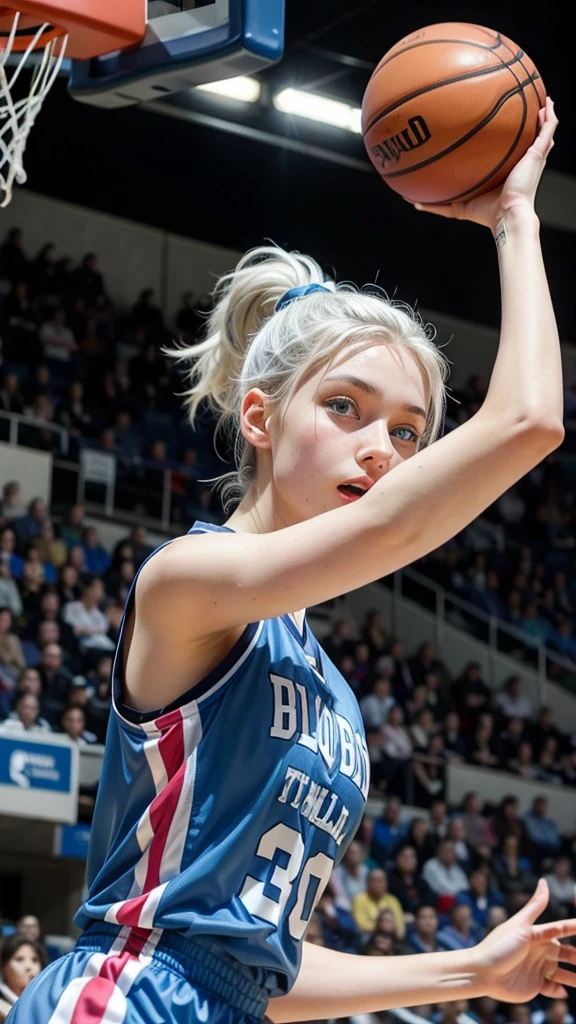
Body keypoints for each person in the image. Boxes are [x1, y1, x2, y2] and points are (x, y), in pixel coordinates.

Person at [14, 102, 576, 1024]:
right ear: (261, 417)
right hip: (123, 996)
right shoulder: (189, 585)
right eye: (346, 408)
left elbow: (255, 969)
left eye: (407, 431)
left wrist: (470, 971)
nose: (382, 449)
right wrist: (516, 219)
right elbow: (530, 423)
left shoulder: (337, 702)